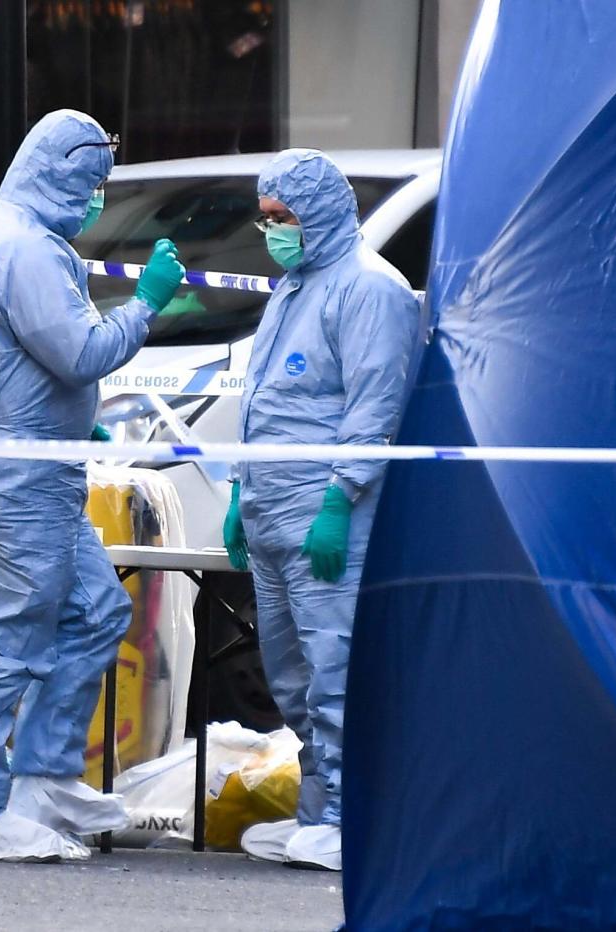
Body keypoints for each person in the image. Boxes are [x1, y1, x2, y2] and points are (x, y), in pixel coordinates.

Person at [0, 109, 186, 862]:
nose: (98, 197)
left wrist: (71, 424)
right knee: (1, 639)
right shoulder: (29, 248)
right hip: (16, 475)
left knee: (97, 610)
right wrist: (148, 302)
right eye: (94, 182)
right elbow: (80, 351)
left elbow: (2, 354)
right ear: (65, 173)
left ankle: (41, 776)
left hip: (21, 462)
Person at [223, 149, 419, 870]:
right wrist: (242, 496)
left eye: (286, 218)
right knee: (292, 676)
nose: (273, 231)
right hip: (275, 509)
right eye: (267, 218)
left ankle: (350, 817)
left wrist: (340, 499)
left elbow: (374, 410)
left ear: (325, 212)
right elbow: (265, 405)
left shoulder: (372, 290)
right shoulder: (294, 288)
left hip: (329, 512)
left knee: (337, 667)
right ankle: (317, 808)